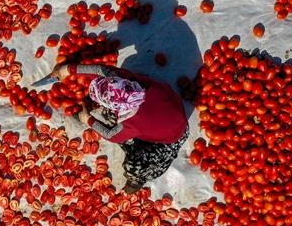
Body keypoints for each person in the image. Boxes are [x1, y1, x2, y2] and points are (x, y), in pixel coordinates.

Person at [51, 60, 189, 193]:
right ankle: (140, 139)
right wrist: (66, 69)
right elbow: (99, 70)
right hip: (167, 112)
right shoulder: (123, 81)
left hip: (173, 138)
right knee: (113, 118)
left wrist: (87, 119)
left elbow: (110, 135)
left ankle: (138, 179)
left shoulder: (131, 122)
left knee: (135, 166)